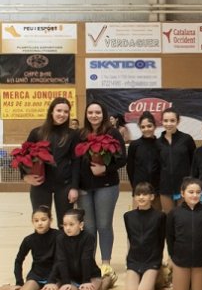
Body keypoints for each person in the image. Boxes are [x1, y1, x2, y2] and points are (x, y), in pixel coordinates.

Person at [77, 101, 126, 268]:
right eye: (90, 112)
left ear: (103, 114)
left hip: (107, 186)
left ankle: (106, 263)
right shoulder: (81, 134)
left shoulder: (112, 132)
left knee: (104, 225)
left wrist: (105, 168)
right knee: (88, 228)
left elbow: (122, 159)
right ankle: (89, 263)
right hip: (84, 188)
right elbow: (75, 161)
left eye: (97, 112)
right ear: (86, 115)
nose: (94, 115)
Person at [22, 97, 79, 225]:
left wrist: (74, 187)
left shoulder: (73, 135)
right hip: (41, 185)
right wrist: (25, 175)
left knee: (65, 225)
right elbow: (23, 156)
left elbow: (76, 162)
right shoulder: (37, 133)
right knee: (41, 224)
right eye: (59, 110)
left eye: (66, 112)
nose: (62, 114)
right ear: (51, 111)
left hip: (64, 186)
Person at [42, 208, 116, 290]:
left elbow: (86, 259)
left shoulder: (88, 237)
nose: (67, 228)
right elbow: (60, 260)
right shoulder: (60, 238)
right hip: (70, 277)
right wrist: (60, 282)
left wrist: (86, 281)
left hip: (90, 275)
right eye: (65, 225)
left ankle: (106, 281)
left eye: (71, 224)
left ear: (81, 225)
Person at [0, 206, 58, 290]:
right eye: (36, 220)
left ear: (50, 220)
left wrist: (52, 281)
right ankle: (12, 289)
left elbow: (60, 261)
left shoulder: (58, 236)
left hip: (55, 277)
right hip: (36, 277)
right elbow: (18, 261)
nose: (40, 223)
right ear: (32, 222)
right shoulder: (29, 240)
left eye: (43, 220)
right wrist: (19, 282)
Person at [166, 178, 202, 290]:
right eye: (191, 192)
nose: (195, 195)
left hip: (201, 260)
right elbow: (170, 236)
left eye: (198, 192)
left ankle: (199, 281)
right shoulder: (174, 213)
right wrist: (172, 256)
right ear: (182, 193)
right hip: (181, 260)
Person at [123, 182, 167, 290]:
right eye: (138, 194)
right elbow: (131, 239)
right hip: (134, 260)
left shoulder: (160, 216)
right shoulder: (128, 216)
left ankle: (158, 277)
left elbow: (161, 241)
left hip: (152, 260)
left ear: (152, 197)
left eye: (145, 194)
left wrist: (157, 261)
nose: (141, 197)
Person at [157, 108, 196, 213]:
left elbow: (194, 162)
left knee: (183, 217)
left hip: (184, 186)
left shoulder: (187, 139)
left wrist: (191, 182)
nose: (169, 124)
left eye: (172, 120)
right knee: (169, 217)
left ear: (178, 121)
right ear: (162, 121)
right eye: (166, 121)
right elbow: (157, 166)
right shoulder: (158, 142)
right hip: (165, 187)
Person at [126, 111, 161, 210]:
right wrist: (135, 187)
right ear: (140, 127)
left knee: (156, 217)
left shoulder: (160, 144)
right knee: (137, 216)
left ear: (155, 126)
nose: (146, 129)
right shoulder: (134, 145)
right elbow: (130, 168)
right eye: (143, 127)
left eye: (149, 126)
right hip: (139, 188)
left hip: (156, 189)